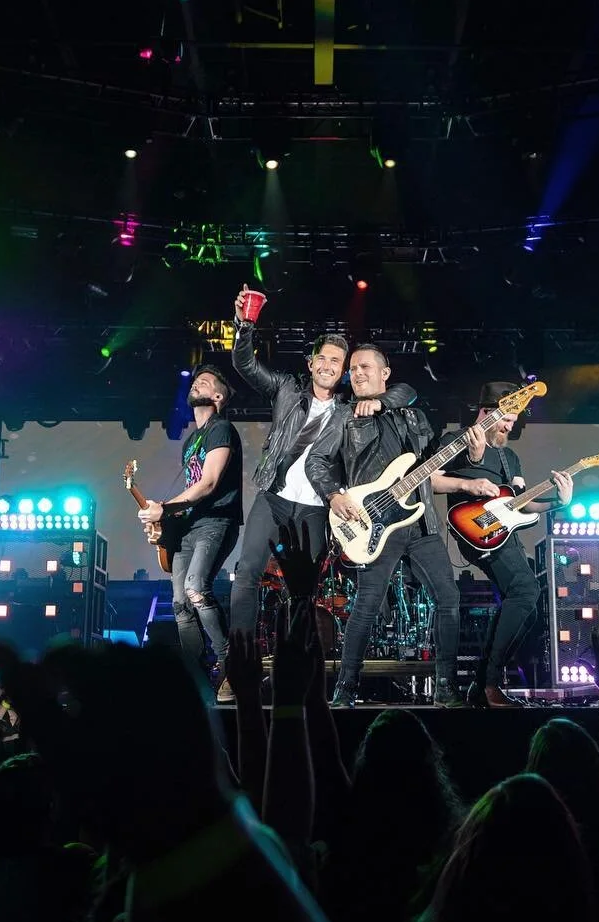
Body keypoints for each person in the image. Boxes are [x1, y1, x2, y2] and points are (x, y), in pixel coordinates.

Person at [220, 286, 418, 702]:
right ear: (310, 364)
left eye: (337, 361)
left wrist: (380, 404)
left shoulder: (350, 407)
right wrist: (245, 325)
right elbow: (244, 364)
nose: (329, 366)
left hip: (316, 510)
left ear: (344, 370)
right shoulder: (286, 390)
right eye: (323, 359)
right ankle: (237, 670)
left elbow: (405, 394)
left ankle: (298, 669)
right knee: (247, 574)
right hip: (273, 497)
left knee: (303, 592)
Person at [305, 344, 462, 706]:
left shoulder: (412, 415)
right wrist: (334, 495)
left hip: (420, 521)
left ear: (385, 374)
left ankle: (446, 686)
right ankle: (345, 689)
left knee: (449, 599)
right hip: (371, 521)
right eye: (353, 369)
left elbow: (429, 458)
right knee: (367, 605)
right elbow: (316, 462)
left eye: (365, 367)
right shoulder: (343, 416)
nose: (356, 373)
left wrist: (470, 453)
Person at [432, 381, 572, 707]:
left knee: (528, 612)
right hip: (475, 530)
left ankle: (482, 683)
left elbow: (522, 503)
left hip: (506, 535)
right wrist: (468, 483)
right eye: (506, 417)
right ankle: (490, 683)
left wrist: (558, 503)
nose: (511, 425)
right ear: (486, 411)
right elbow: (431, 480)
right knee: (525, 592)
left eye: (514, 419)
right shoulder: (456, 441)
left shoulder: (509, 457)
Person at [137, 365, 244, 686]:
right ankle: (195, 672)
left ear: (218, 397)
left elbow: (208, 483)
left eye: (206, 382)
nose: (197, 384)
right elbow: (190, 492)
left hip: (216, 521)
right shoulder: (190, 442)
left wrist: (164, 508)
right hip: (189, 528)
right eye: (195, 381)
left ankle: (230, 662)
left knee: (196, 589)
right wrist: (162, 522)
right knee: (180, 603)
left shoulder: (221, 428)